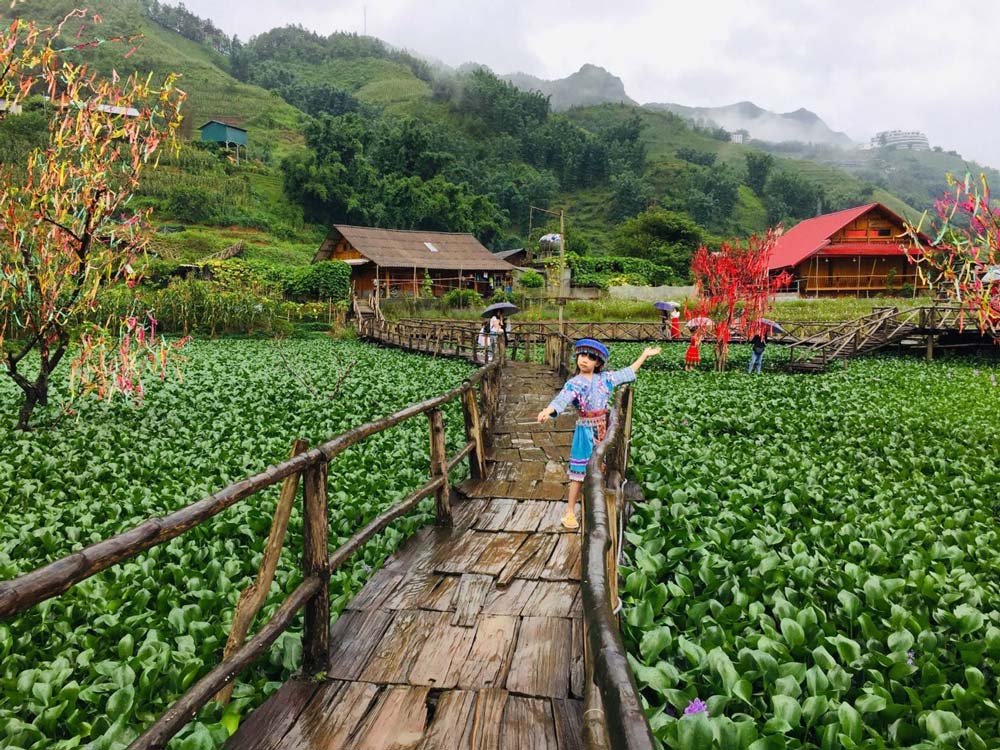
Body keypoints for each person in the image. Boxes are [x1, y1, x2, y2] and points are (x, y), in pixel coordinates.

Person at [536, 339, 661, 529]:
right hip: (584, 430)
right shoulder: (574, 383)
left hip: (602, 428)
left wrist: (644, 355)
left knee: (600, 468)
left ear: (598, 363)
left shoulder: (605, 379)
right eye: (582, 356)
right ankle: (570, 511)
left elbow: (626, 373)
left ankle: (595, 506)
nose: (584, 360)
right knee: (578, 473)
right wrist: (548, 410)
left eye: (590, 358)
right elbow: (561, 399)